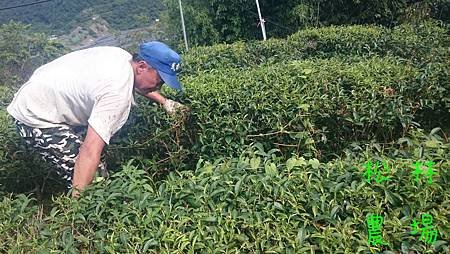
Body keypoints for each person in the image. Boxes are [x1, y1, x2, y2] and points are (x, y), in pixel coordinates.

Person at [7, 41, 186, 197]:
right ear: (142, 66)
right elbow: (89, 150)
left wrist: (165, 102)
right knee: (95, 179)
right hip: (36, 114)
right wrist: (80, 211)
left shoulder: (123, 57)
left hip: (46, 92)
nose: (159, 86)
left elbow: (140, 83)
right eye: (160, 80)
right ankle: (80, 217)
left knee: (96, 159)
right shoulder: (116, 93)